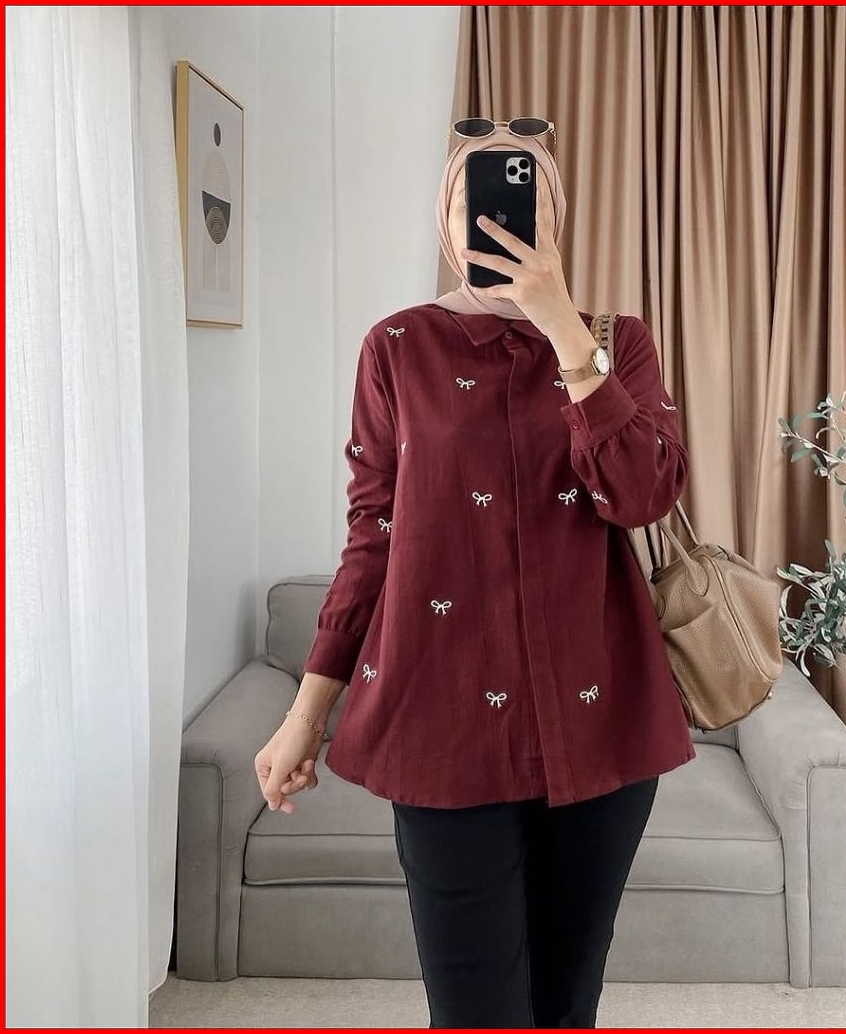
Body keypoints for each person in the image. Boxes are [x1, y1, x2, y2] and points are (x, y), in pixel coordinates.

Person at [254, 120, 697, 1029]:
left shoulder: (618, 341)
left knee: (566, 1005)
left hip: (600, 719)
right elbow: (372, 538)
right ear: (444, 223)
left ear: (556, 220)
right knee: (472, 1012)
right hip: (441, 723)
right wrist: (305, 714)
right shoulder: (396, 347)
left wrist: (564, 327)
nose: (497, 219)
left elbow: (643, 495)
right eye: (475, 200)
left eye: (525, 200)